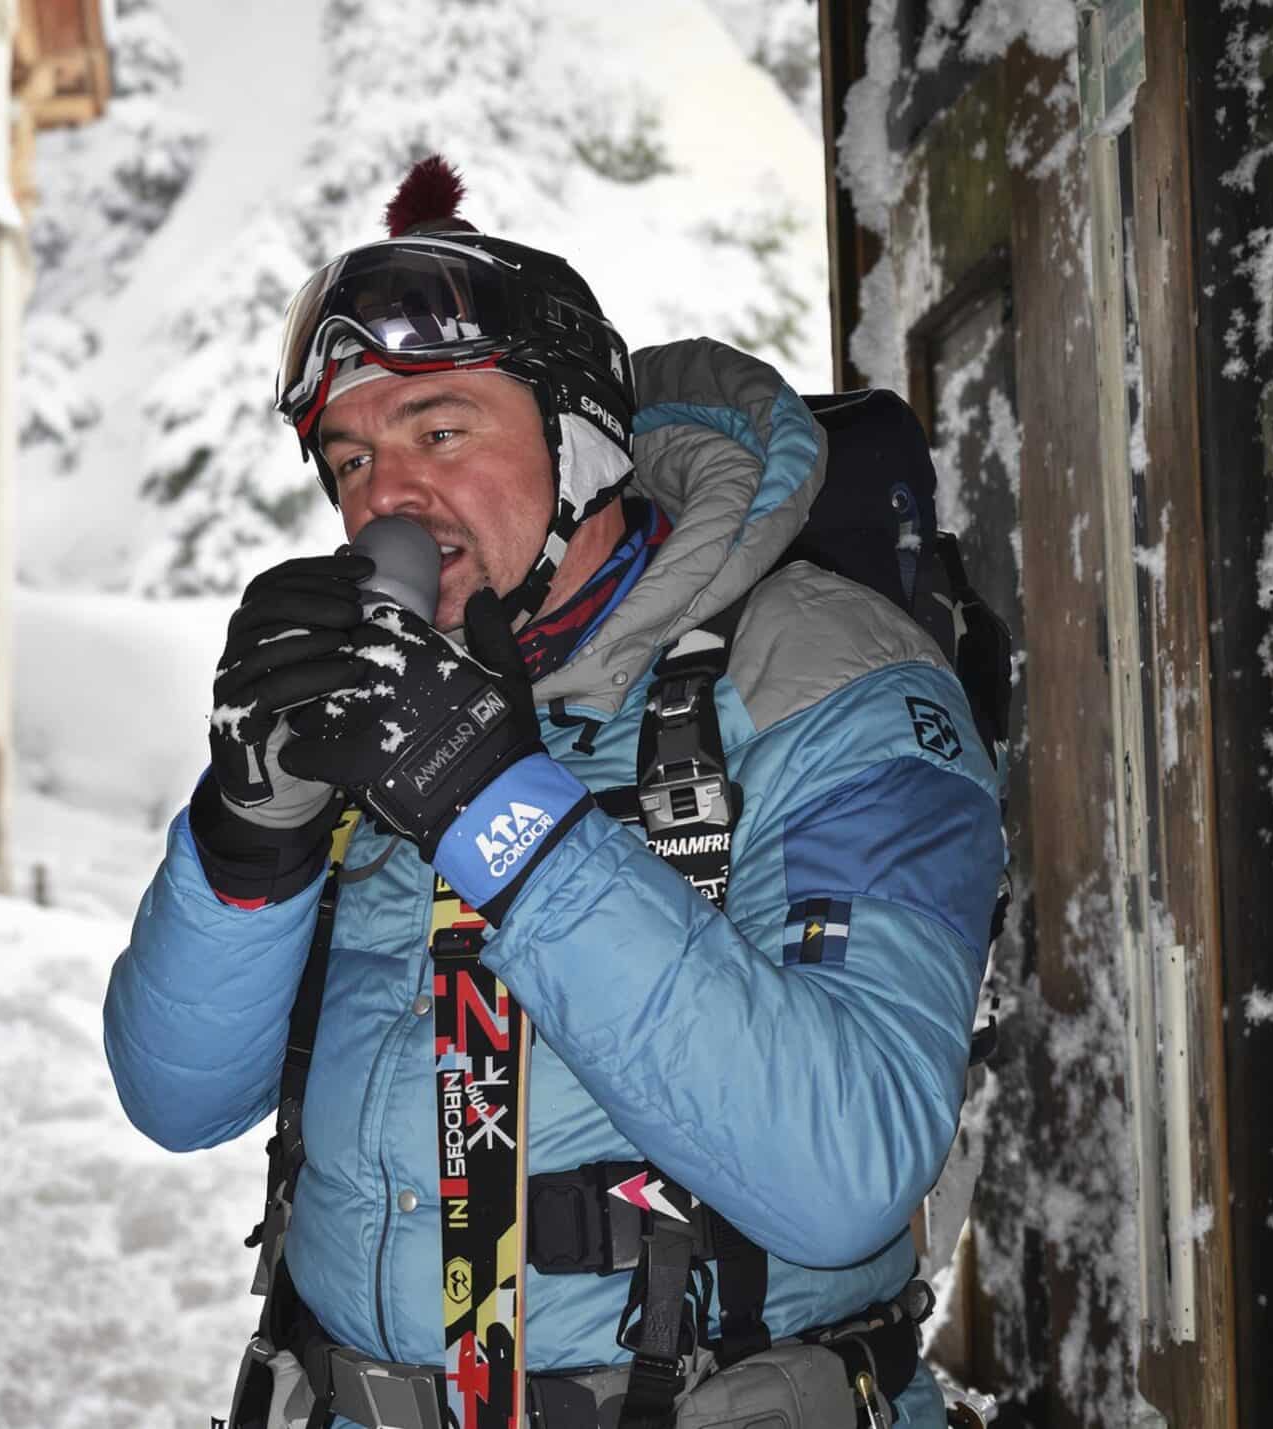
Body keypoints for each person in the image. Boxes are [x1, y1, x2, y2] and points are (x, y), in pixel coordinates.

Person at [103, 157, 1002, 1428]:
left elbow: (849, 1166)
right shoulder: (376, 696)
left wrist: (491, 801)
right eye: (351, 459)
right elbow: (175, 1096)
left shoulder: (823, 671)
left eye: (440, 430)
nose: (387, 497)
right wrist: (249, 824)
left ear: (581, 439)